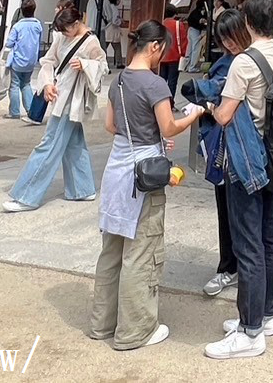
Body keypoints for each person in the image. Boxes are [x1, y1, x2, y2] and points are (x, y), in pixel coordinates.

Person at [90, 20, 205, 350]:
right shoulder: (155, 85)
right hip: (143, 176)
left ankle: (102, 323)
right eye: (163, 50)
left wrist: (143, 136)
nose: (162, 56)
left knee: (111, 252)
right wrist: (193, 114)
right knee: (141, 254)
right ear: (154, 47)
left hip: (117, 169)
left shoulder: (119, 81)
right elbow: (168, 128)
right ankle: (134, 330)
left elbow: (111, 125)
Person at [203, 0, 273, 360]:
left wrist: (206, 103)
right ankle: (266, 314)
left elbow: (224, 115)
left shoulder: (244, 62)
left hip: (246, 161)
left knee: (248, 244)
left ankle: (250, 331)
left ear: (249, 21)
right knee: (270, 237)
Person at [3, 2, 107, 212]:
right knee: (73, 144)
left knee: (49, 145)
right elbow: (48, 61)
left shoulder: (91, 42)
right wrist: (47, 83)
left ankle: (27, 196)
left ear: (77, 23)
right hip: (60, 93)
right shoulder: (61, 37)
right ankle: (82, 189)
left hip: (72, 99)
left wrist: (86, 65)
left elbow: (102, 66)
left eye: (67, 29)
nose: (65, 34)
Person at [180, 9, 252, 301]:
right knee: (227, 209)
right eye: (223, 38)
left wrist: (208, 104)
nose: (229, 43)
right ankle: (230, 266)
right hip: (223, 146)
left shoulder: (245, 62)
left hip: (240, 145)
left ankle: (238, 268)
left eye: (231, 36)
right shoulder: (227, 60)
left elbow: (213, 96)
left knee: (241, 214)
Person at [3, 0, 43, 121]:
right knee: (26, 84)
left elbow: (9, 44)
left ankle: (14, 112)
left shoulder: (18, 27)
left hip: (17, 60)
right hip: (31, 61)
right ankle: (31, 110)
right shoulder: (38, 25)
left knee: (14, 85)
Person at [161, 6, 188, 105]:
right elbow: (183, 40)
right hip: (175, 56)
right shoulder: (178, 25)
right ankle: (170, 103)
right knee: (172, 82)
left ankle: (160, 102)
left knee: (161, 80)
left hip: (161, 56)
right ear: (175, 14)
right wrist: (183, 54)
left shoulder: (160, 23)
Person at [186, 0, 209, 73]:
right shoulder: (199, 13)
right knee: (196, 49)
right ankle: (192, 67)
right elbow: (202, 22)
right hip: (195, 31)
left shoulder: (195, 12)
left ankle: (186, 66)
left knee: (189, 49)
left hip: (190, 30)